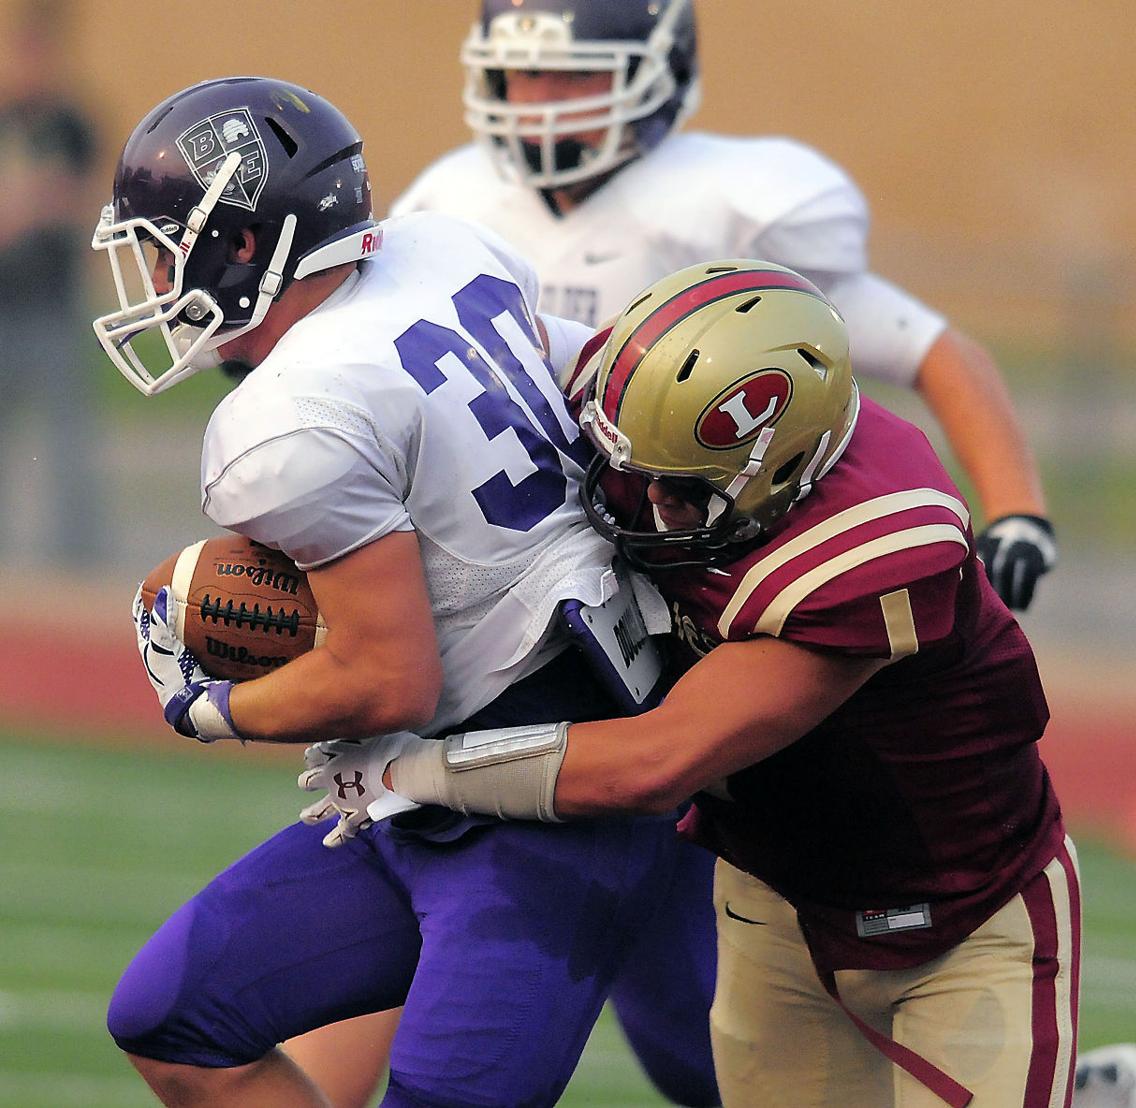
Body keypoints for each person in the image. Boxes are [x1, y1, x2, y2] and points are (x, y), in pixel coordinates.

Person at [318, 260, 1081, 1106]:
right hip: (772, 897)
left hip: (965, 910)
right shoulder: (644, 419)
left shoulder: (873, 545)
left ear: (783, 469)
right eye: (634, 468)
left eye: (679, 487)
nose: (643, 502)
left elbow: (657, 761)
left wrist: (415, 771)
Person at [93, 74, 702, 1108]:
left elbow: (387, 679)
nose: (154, 278)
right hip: (436, 777)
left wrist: (210, 706)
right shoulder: (442, 248)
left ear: (245, 245)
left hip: (547, 799)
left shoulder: (285, 418)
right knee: (170, 1017)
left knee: (721, 1071)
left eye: (165, 248)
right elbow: (583, 381)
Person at [393, 0, 1058, 615]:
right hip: (514, 566)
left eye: (576, 76)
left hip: (696, 556)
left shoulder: (727, 204)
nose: (542, 102)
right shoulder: (450, 201)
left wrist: (1017, 511)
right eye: (526, 73)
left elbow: (932, 350)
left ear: (658, 73)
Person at [0, 0, 103, 566]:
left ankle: (77, 560)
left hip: (55, 302)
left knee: (68, 441)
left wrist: (35, 201)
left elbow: (84, 201)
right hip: (4, 302)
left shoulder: (71, 126)